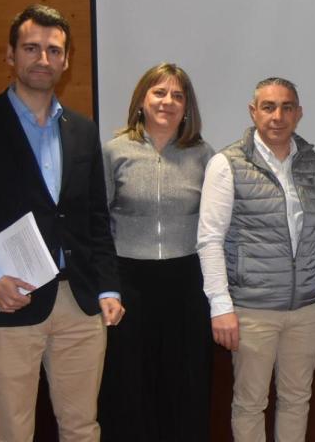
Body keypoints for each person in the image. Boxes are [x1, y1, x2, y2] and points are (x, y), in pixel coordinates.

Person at [0, 3, 124, 441]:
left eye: (54, 51)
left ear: (66, 61)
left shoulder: (83, 131)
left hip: (79, 303)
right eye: (31, 48)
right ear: (10, 55)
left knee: (82, 427)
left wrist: (108, 287)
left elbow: (95, 219)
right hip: (9, 299)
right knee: (13, 430)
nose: (43, 59)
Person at [196, 77, 315, 442]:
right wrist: (220, 306)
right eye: (268, 107)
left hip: (307, 308)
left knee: (297, 400)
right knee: (250, 404)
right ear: (253, 111)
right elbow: (210, 240)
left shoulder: (310, 162)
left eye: (287, 107)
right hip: (252, 309)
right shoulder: (227, 164)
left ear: (299, 113)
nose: (278, 116)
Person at [98, 63, 214, 441]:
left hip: (186, 282)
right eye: (159, 92)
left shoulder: (203, 155)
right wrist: (106, 285)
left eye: (177, 95)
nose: (168, 101)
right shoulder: (114, 151)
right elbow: (97, 223)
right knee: (130, 385)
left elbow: (215, 227)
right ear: (141, 100)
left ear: (187, 107)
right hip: (129, 282)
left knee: (184, 384)